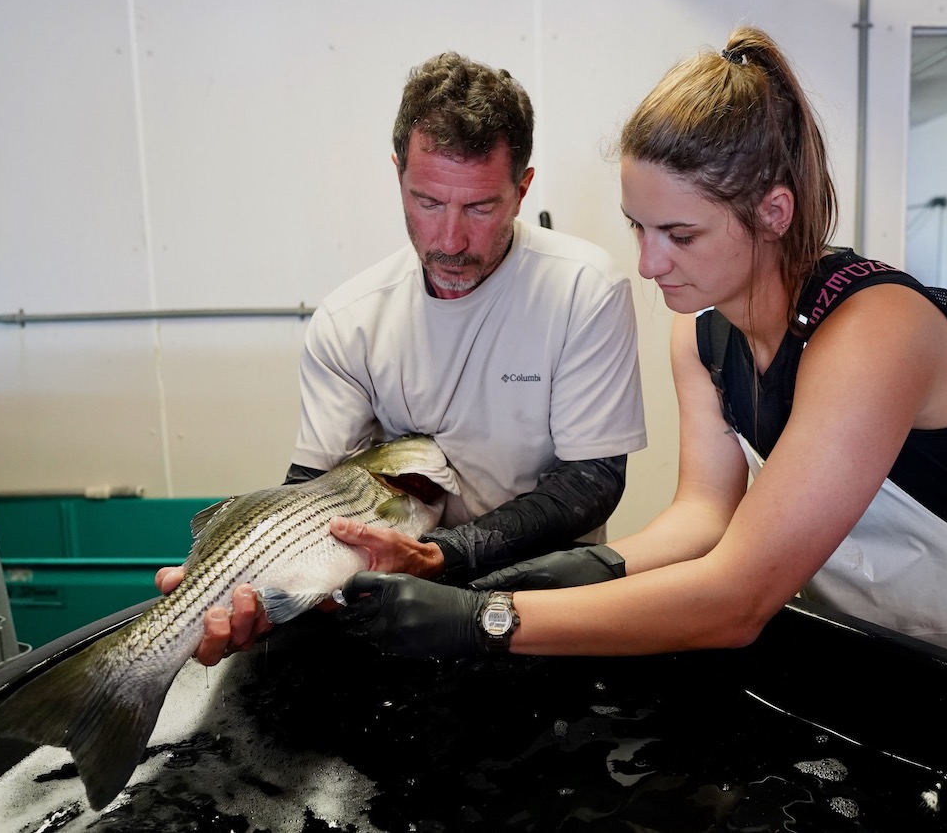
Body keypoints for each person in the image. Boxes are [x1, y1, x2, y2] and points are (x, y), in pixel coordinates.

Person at [334, 25, 947, 705]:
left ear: (773, 212)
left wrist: (486, 620)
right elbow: (708, 517)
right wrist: (595, 566)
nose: (647, 263)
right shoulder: (702, 335)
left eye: (680, 234)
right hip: (886, 641)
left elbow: (737, 596)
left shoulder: (875, 328)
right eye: (637, 226)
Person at [156, 51, 648, 666]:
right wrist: (245, 581)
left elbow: (592, 481)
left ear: (521, 189)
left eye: (480, 207)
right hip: (397, 625)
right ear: (398, 176)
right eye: (427, 202)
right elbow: (310, 493)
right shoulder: (351, 320)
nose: (450, 240)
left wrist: (443, 554)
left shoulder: (583, 289)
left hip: (545, 616)